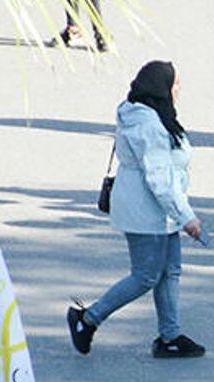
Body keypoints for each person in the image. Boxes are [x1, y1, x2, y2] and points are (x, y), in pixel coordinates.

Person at [67, 61, 204, 360]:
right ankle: (89, 318)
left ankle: (170, 336)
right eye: (175, 84)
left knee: (170, 271)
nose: (179, 89)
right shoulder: (150, 126)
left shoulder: (141, 113)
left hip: (155, 210)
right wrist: (186, 217)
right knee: (146, 275)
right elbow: (160, 180)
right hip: (148, 212)